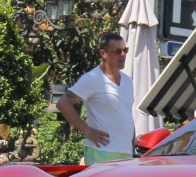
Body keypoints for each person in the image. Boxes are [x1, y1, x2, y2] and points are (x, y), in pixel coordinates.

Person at [54, 31, 135, 163]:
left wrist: (132, 144)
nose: (123, 55)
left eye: (125, 50)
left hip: (125, 152)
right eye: (117, 51)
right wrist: (87, 130)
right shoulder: (92, 78)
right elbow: (63, 103)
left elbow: (126, 113)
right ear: (103, 54)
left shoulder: (127, 80)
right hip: (101, 152)